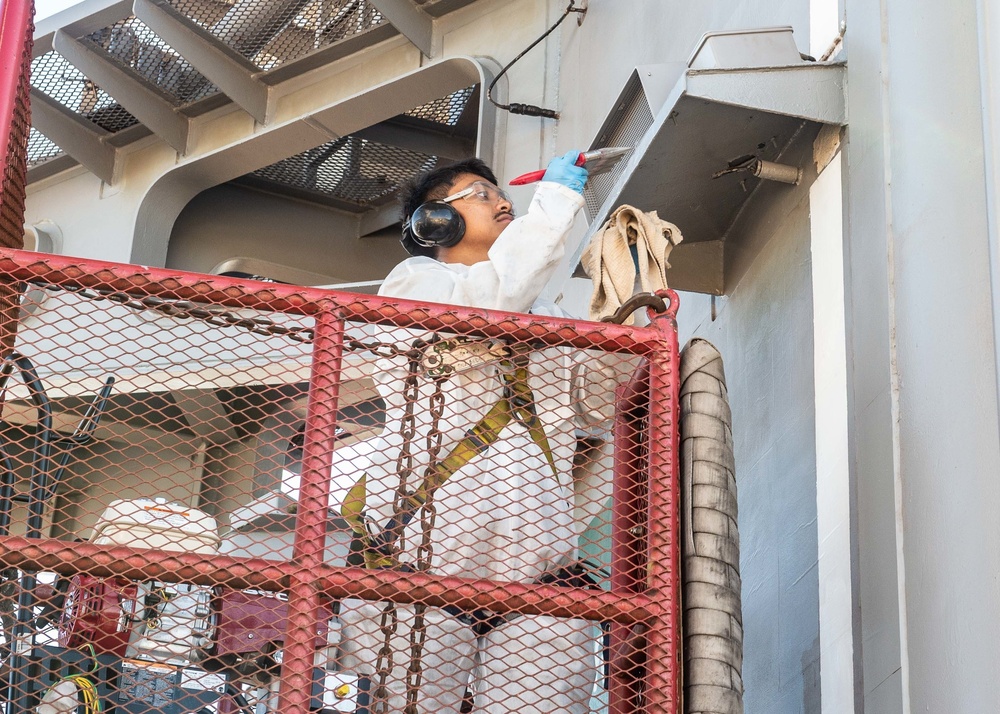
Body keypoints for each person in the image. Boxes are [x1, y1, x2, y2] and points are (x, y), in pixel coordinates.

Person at [333, 152, 618, 713]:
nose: (505, 202)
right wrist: (557, 201)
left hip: (541, 576)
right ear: (435, 221)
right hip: (416, 569)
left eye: (498, 193)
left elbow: (594, 404)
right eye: (483, 194)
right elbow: (491, 305)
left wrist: (624, 319)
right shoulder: (416, 284)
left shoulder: (544, 311)